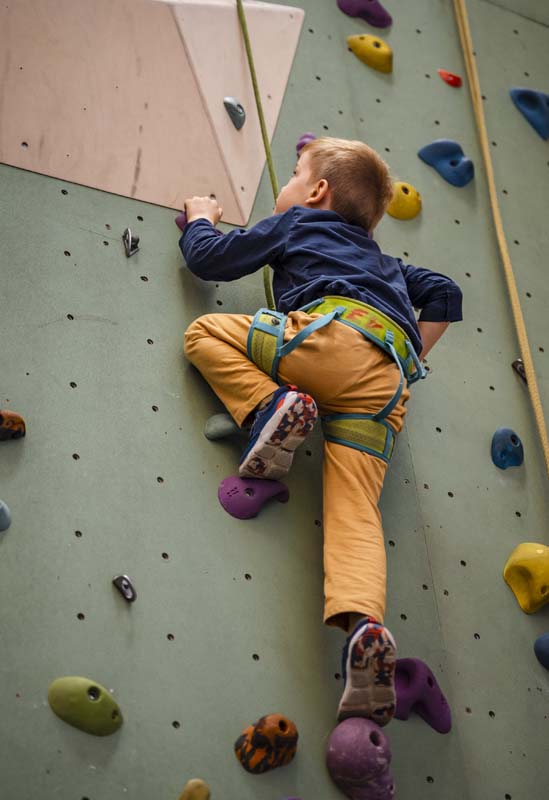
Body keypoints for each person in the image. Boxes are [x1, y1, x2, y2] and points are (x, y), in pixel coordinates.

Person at [180, 137, 463, 726]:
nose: (285, 186)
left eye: (293, 174)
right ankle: (365, 627)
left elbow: (210, 259)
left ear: (316, 191)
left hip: (327, 341)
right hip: (387, 385)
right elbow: (445, 292)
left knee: (205, 333)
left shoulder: (299, 224)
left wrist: (201, 217)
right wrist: (407, 357)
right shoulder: (390, 267)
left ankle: (269, 410)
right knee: (356, 510)